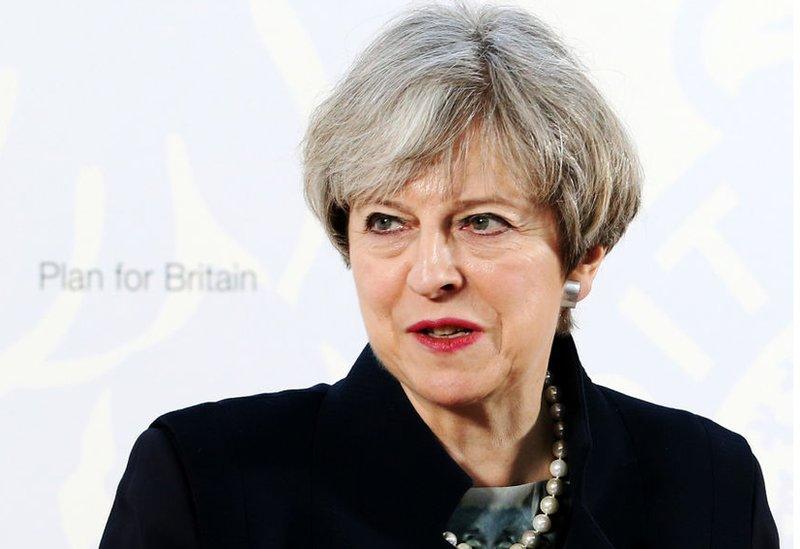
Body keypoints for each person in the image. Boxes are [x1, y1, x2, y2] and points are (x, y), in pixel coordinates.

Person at [99, 3, 779, 548]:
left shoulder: (709, 486)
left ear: (583, 256)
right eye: (387, 222)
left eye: (482, 221)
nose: (431, 273)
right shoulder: (208, 485)